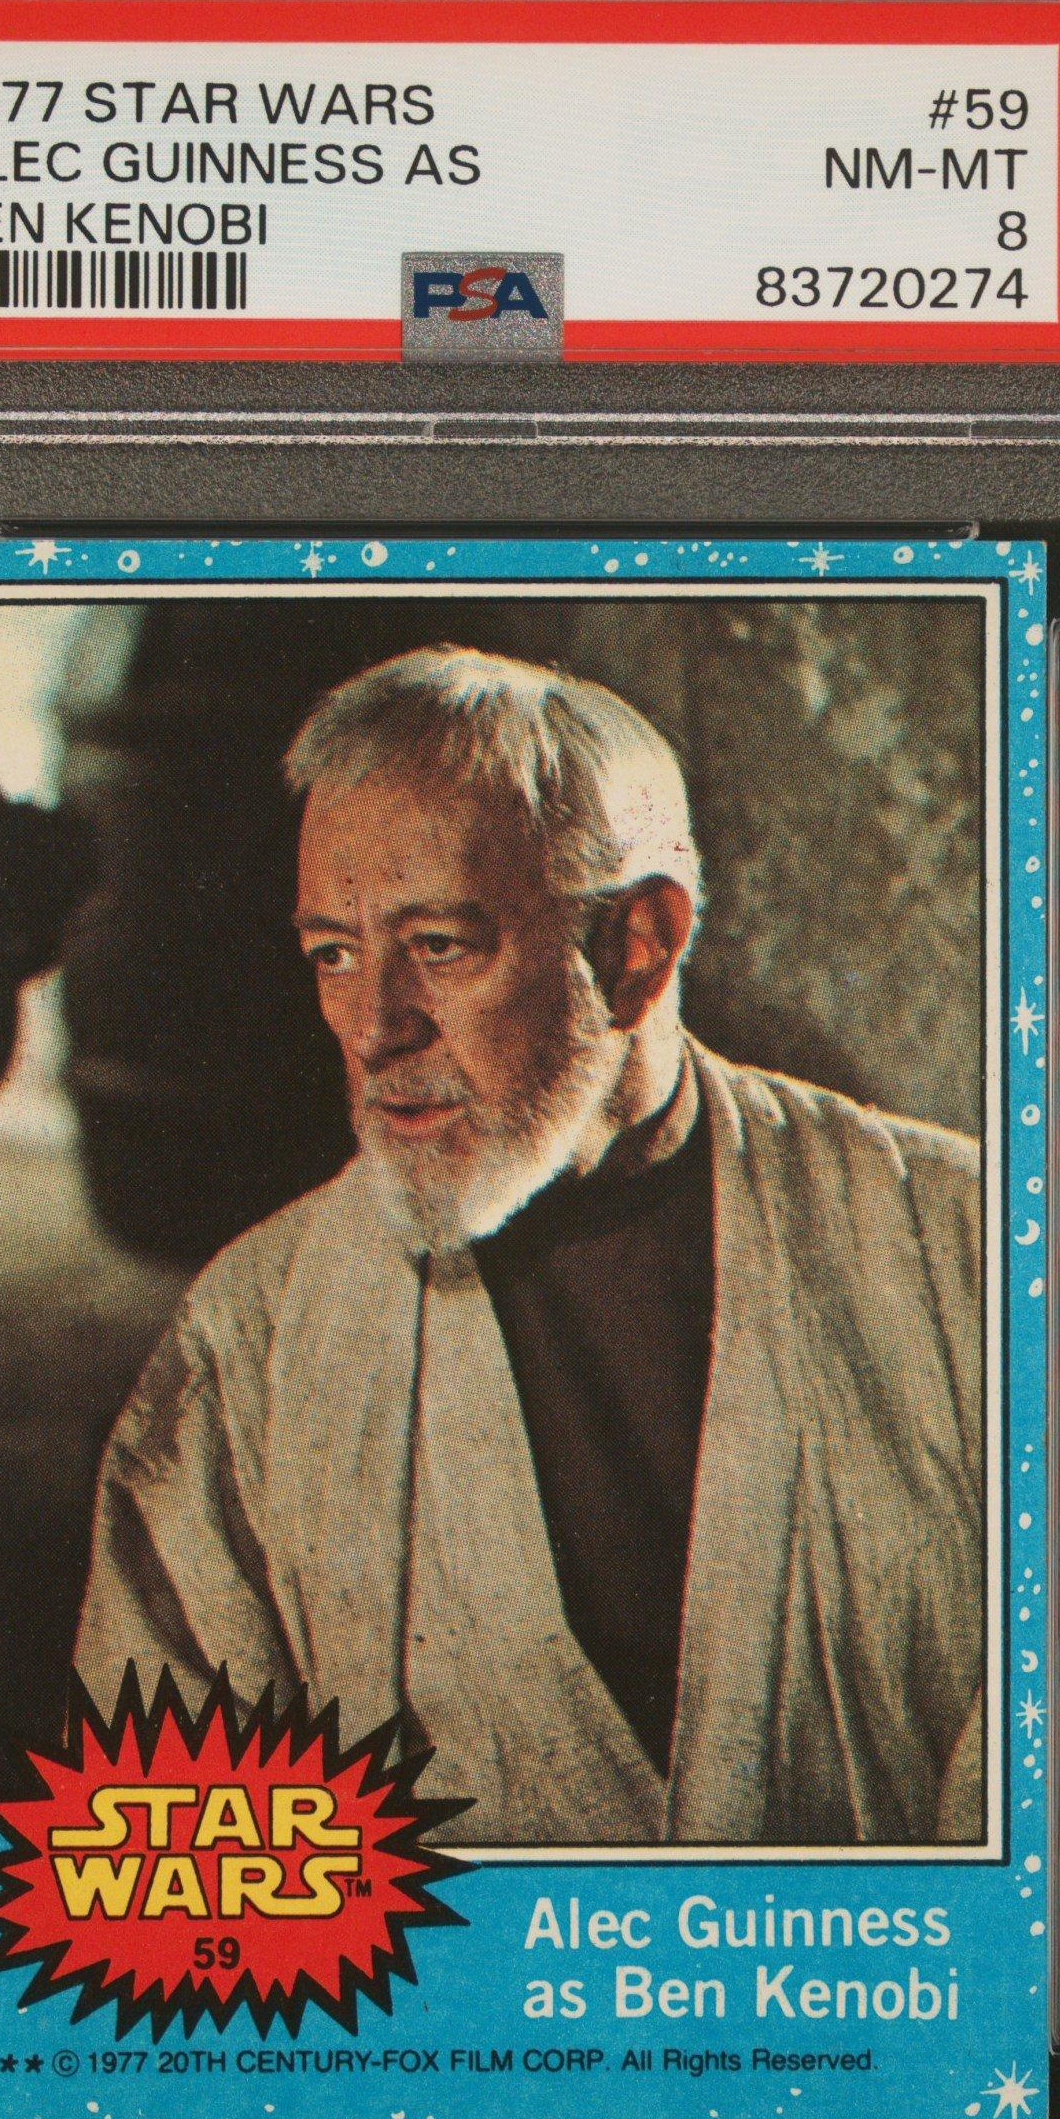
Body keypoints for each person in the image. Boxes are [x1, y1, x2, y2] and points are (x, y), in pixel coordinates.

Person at [74, 645, 984, 1849]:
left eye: (439, 946)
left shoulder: (965, 1250)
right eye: (333, 953)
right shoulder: (257, 1333)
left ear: (637, 945)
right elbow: (171, 1851)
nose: (373, 1027)